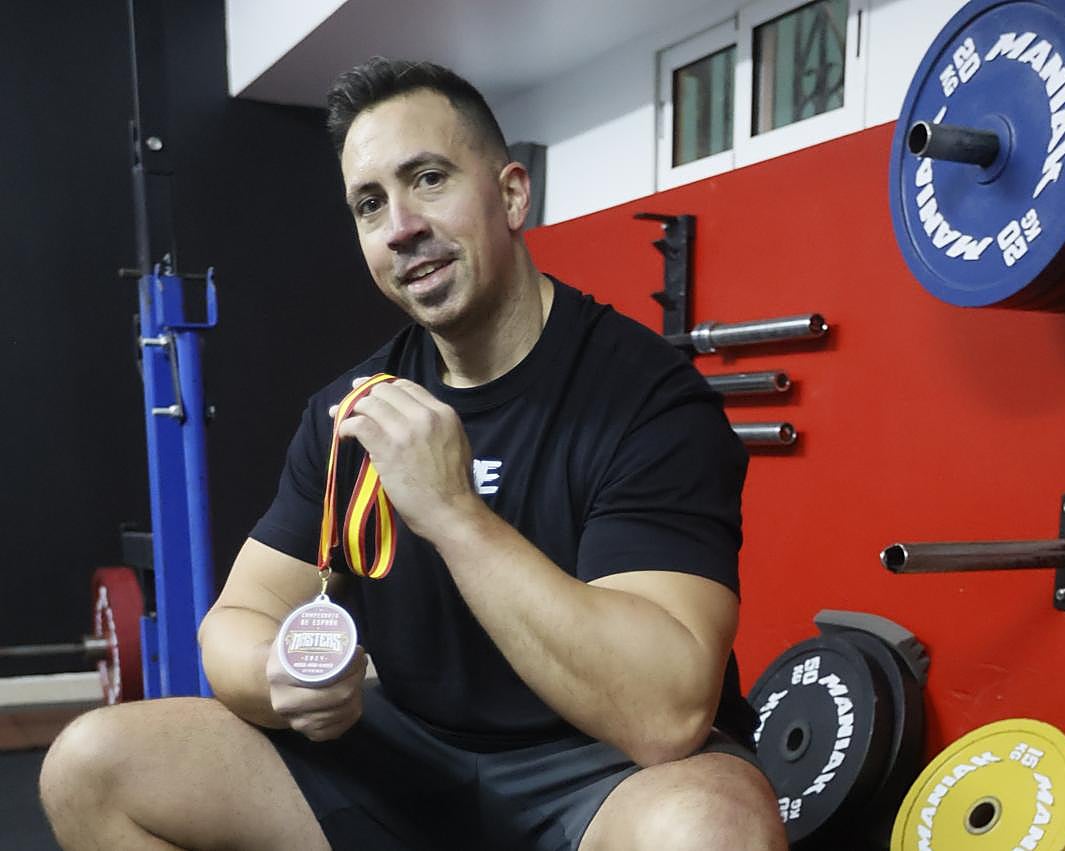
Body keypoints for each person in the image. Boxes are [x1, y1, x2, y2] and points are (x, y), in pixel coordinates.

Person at [39, 58, 786, 850]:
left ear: (511, 194)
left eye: (428, 179)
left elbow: (664, 712)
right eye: (369, 204)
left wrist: (455, 514)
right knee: (91, 765)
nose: (400, 226)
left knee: (712, 829)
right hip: (402, 759)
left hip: (596, 775)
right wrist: (278, 678)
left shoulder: (646, 400)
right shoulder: (352, 412)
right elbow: (236, 621)